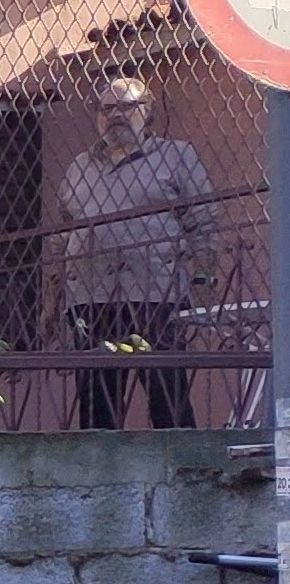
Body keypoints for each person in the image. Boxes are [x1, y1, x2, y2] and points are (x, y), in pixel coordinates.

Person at [55, 74, 220, 431]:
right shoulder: (79, 167)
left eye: (127, 106)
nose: (115, 115)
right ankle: (100, 475)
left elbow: (202, 218)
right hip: (90, 296)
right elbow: (60, 234)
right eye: (107, 108)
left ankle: (180, 462)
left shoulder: (176, 156)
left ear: (148, 112)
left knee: (166, 393)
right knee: (97, 401)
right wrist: (52, 298)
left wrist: (204, 274)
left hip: (154, 292)